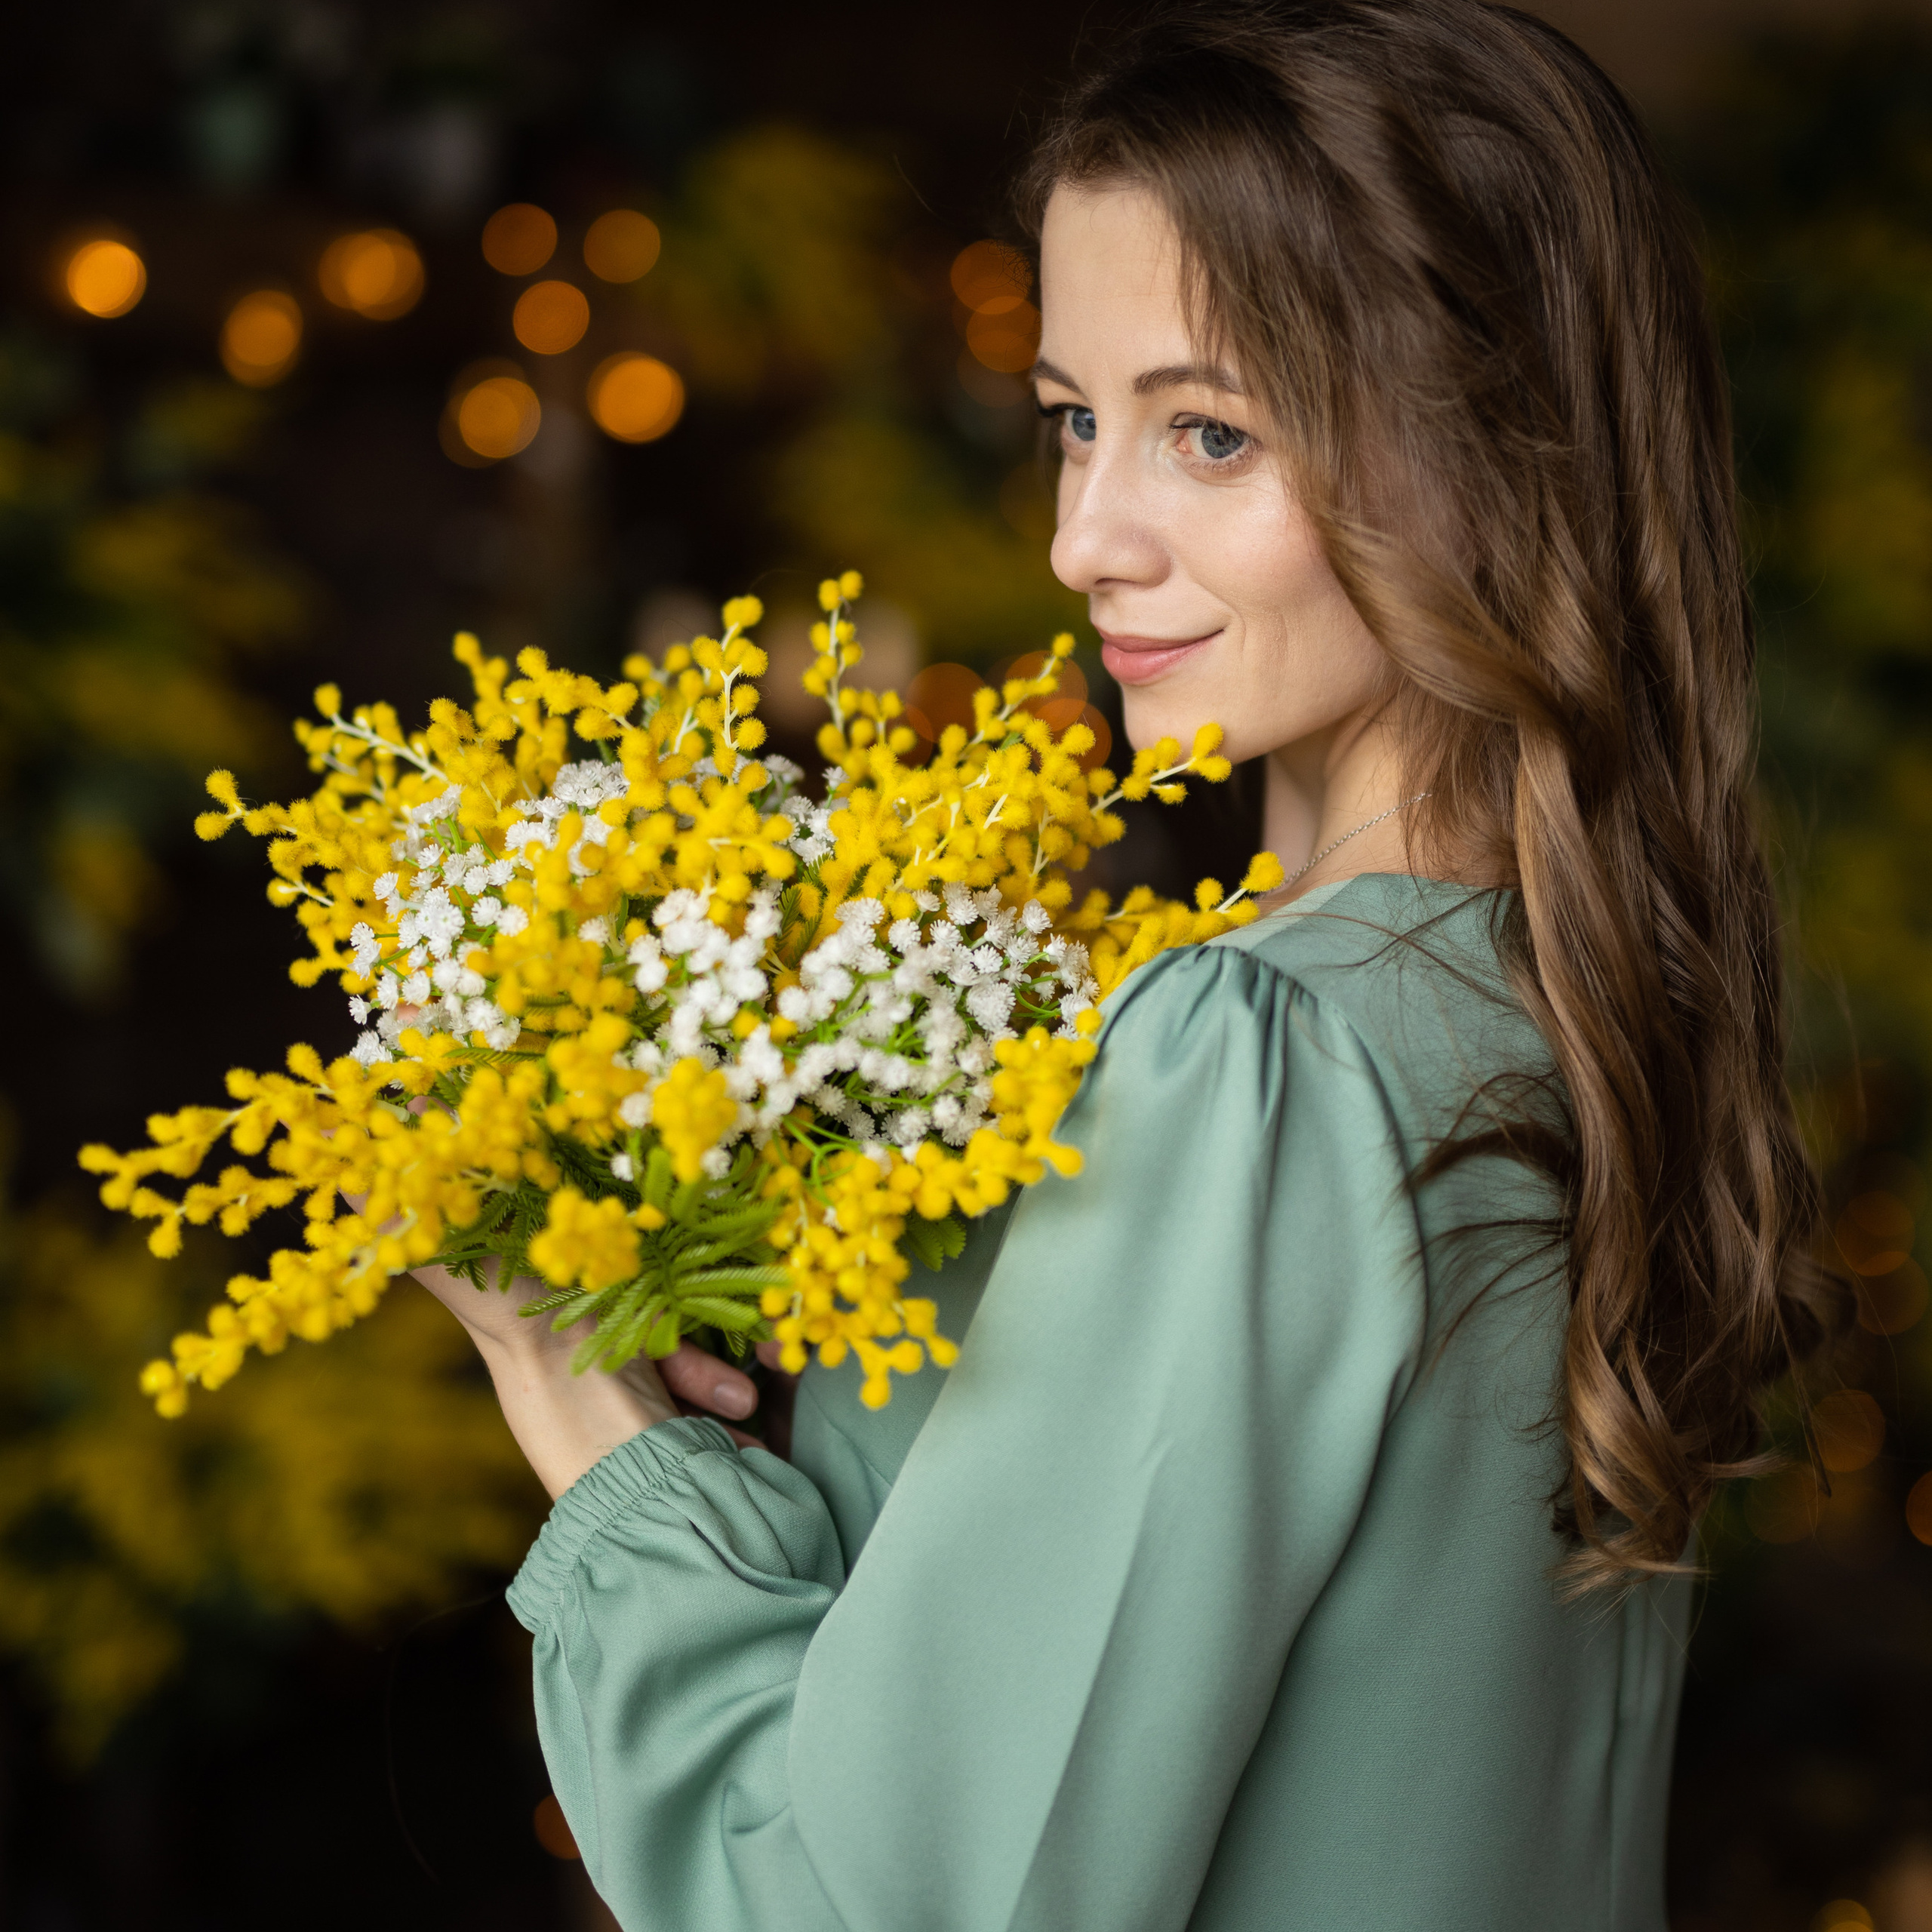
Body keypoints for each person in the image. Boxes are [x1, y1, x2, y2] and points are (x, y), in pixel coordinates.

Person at [414, 3, 1836, 1925]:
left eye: (1209, 432)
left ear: (1502, 458)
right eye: (1074, 419)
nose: (1085, 536)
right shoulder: (1557, 1002)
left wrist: (579, 1397)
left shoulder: (1260, 1059)